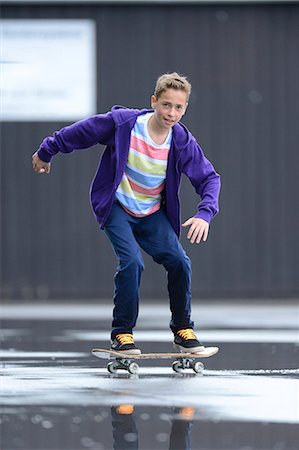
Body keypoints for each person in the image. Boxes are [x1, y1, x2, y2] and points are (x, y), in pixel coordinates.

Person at [32, 72, 221, 355]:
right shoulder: (125, 124)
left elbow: (209, 178)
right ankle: (122, 334)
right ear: (154, 101)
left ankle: (183, 329)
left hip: (152, 212)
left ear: (185, 108)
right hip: (118, 207)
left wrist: (205, 213)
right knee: (132, 263)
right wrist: (47, 151)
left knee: (180, 262)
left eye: (178, 107)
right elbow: (83, 131)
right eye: (166, 105)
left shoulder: (181, 140)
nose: (171, 113)